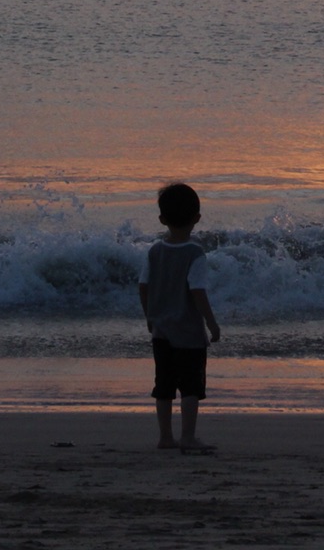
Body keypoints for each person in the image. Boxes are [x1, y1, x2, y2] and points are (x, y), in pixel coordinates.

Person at [139, 182, 221, 452]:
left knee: (163, 385)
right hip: (188, 334)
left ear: (162, 219)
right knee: (190, 387)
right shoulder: (194, 253)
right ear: (197, 218)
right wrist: (210, 322)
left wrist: (149, 316)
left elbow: (144, 286)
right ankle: (187, 436)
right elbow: (197, 290)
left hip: (160, 330)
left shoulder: (155, 251)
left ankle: (165, 437)